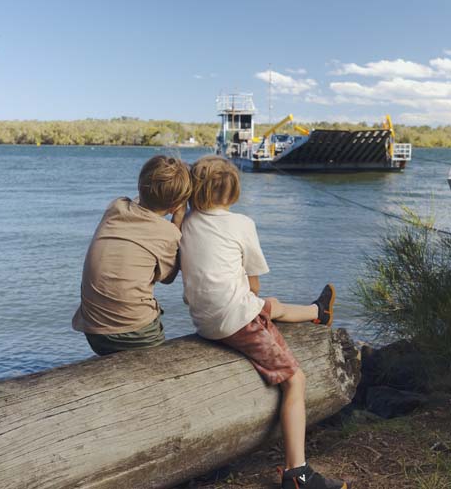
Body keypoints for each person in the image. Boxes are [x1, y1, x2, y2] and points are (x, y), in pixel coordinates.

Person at [179, 155, 346, 489]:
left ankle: (318, 311)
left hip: (205, 320)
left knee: (270, 307)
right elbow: (253, 285)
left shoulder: (185, 222)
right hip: (236, 320)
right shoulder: (241, 224)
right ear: (234, 192)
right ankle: (297, 473)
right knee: (295, 380)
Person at [72, 155, 191, 355]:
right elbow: (168, 278)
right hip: (136, 334)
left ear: (139, 187)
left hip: (93, 330)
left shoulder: (115, 207)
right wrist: (178, 220)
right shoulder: (167, 232)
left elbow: (141, 207)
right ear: (175, 205)